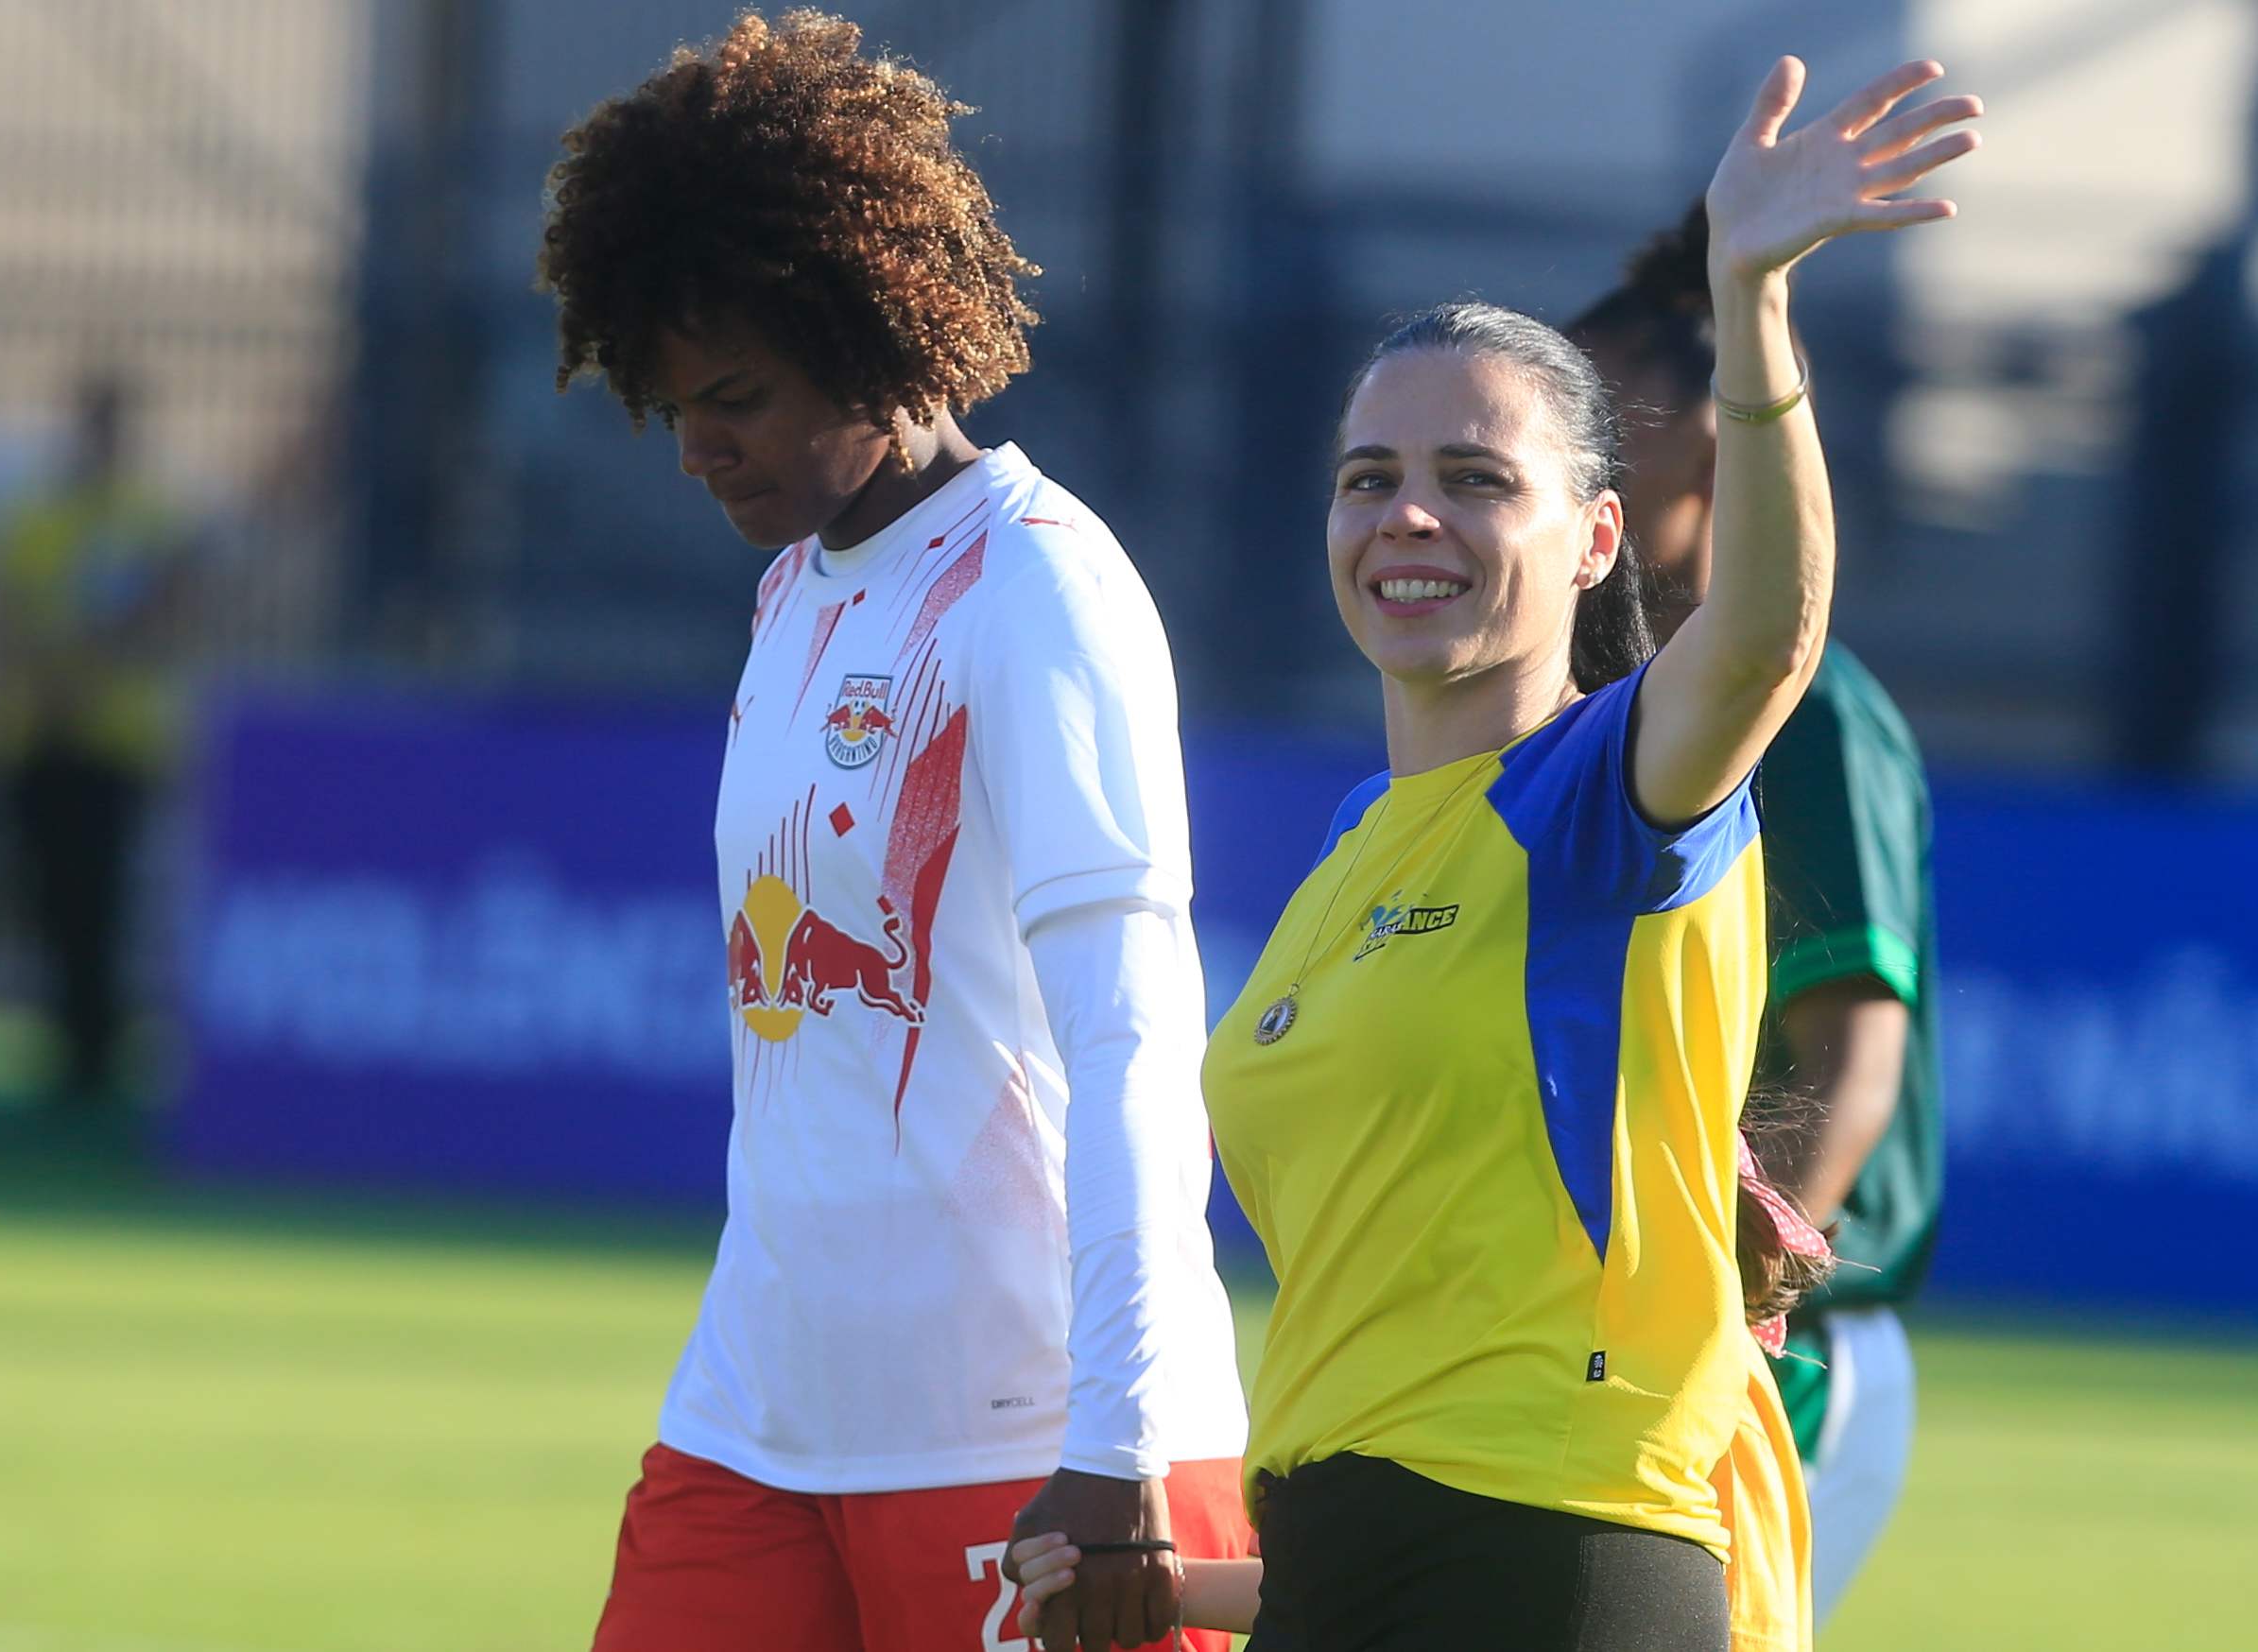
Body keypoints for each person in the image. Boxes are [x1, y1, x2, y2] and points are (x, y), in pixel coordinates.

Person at [1007, 58, 1976, 1651]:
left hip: (1561, 1569)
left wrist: (1750, 297)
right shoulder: (1350, 849)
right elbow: (1401, 1416)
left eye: (1474, 481)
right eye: (1368, 480)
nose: (1408, 516)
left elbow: (1761, 639)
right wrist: (1171, 1592)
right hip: (1344, 1572)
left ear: (1594, 540)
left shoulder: (1604, 788)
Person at [534, 14, 1250, 1652]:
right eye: (671, 405)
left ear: (873, 335)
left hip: (1022, 1437)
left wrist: (1118, 1436)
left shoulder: (1039, 586)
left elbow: (1132, 1033)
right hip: (755, 1419)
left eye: (737, 397)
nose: (697, 447)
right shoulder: (791, 589)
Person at [1571, 200, 1950, 1626]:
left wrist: (1737, 1300)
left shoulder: (1811, 713)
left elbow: (1853, 1060)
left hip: (1776, 1347)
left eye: (1611, 431)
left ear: (1722, 444)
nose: (1576, 463)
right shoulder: (1594, 706)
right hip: (1615, 1341)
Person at [0, 372, 195, 1107]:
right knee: (46, 892)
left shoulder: (150, 522)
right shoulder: (35, 517)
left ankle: (99, 1044)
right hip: (36, 735)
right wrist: (55, 674)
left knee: (103, 893)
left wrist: (90, 660)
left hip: (113, 743)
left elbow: (166, 619)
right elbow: (2, 616)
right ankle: (68, 1037)